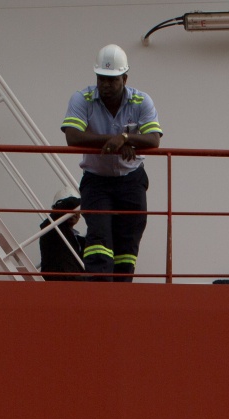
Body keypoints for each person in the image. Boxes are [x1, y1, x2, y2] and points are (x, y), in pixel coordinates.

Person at [59, 45, 163, 281]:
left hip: (131, 181)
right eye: (101, 79)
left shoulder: (141, 101)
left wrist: (125, 137)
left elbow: (154, 139)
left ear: (125, 78)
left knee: (129, 239)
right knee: (99, 237)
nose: (105, 85)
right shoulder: (82, 98)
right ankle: (99, 293)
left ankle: (121, 291)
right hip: (97, 181)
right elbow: (72, 136)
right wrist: (115, 141)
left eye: (112, 80)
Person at [39, 196, 88, 280]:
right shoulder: (50, 230)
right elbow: (70, 203)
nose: (73, 213)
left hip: (78, 284)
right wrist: (90, 196)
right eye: (70, 209)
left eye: (77, 210)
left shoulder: (81, 241)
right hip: (58, 282)